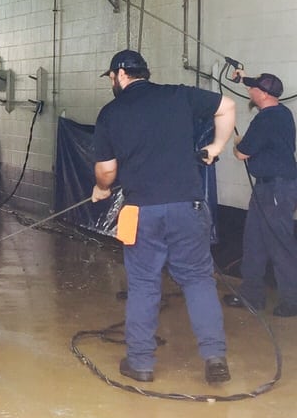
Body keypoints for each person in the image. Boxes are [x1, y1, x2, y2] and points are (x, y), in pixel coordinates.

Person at [91, 49, 235, 385]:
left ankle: (141, 363)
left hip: (142, 211)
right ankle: (215, 359)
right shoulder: (179, 95)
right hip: (188, 206)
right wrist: (215, 148)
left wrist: (100, 188)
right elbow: (227, 106)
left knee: (143, 285)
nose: (112, 82)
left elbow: (107, 171)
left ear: (120, 75)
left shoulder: (111, 113)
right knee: (198, 280)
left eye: (111, 77)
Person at [223, 72, 297, 316]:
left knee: (279, 243)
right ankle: (251, 294)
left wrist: (237, 143)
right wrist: (242, 77)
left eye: (253, 88)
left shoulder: (265, 119)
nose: (249, 91)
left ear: (263, 94)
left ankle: (292, 300)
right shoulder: (283, 113)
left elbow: (242, 153)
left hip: (275, 189)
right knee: (253, 240)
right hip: (269, 187)